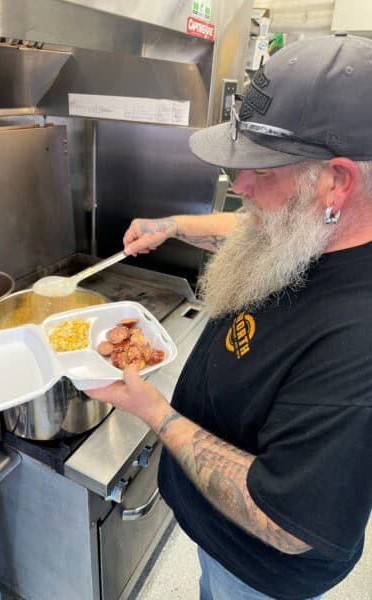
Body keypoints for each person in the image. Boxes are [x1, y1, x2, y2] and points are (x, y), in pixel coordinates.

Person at [87, 33, 372, 600]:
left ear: (337, 181)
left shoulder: (357, 343)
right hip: (216, 539)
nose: (238, 185)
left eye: (262, 171)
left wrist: (153, 411)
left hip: (257, 573)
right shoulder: (317, 228)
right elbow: (255, 229)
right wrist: (173, 226)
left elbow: (288, 523)